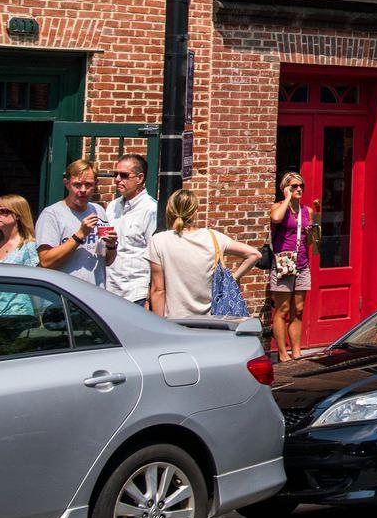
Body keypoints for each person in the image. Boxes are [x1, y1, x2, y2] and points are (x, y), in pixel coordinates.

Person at [148, 190, 259, 319]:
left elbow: (158, 291)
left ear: (169, 210)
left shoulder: (159, 241)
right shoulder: (213, 237)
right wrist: (234, 278)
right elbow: (254, 254)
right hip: (210, 322)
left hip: (174, 322)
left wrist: (159, 326)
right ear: (195, 212)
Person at [36, 159, 112, 286]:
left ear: (96, 184)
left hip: (96, 294)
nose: (83, 190)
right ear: (66, 183)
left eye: (88, 185)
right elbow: (45, 261)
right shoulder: (51, 214)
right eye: (77, 185)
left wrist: (111, 245)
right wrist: (80, 235)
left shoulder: (98, 211)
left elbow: (107, 260)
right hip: (65, 296)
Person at [267, 171, 316, 364]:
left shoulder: (308, 211)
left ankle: (296, 351)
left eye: (301, 186)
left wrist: (311, 234)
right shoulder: (278, 207)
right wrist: (287, 199)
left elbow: (311, 242)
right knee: (283, 309)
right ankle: (282, 353)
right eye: (294, 186)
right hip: (283, 262)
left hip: (302, 263)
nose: (298, 189)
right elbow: (276, 219)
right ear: (285, 188)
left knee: (299, 308)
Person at [103, 154, 157, 307]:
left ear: (139, 178)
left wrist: (148, 297)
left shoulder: (151, 209)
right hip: (109, 289)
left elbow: (155, 256)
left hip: (135, 293)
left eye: (124, 175)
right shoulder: (113, 206)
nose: (117, 179)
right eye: (116, 174)